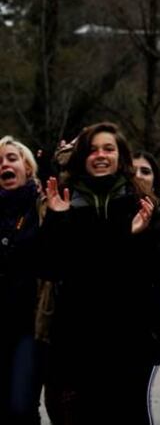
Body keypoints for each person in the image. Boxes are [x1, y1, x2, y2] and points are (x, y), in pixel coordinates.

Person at [39, 122, 160, 424]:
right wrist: (57, 220)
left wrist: (140, 237)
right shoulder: (66, 201)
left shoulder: (143, 202)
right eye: (93, 149)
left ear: (120, 156)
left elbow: (158, 266)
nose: (100, 155)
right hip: (78, 340)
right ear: (82, 156)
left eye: (108, 149)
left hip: (130, 338)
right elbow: (50, 267)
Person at [0, 137, 44, 425]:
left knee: (20, 406)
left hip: (28, 325)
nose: (4, 164)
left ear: (28, 168)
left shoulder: (42, 209)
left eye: (11, 158)